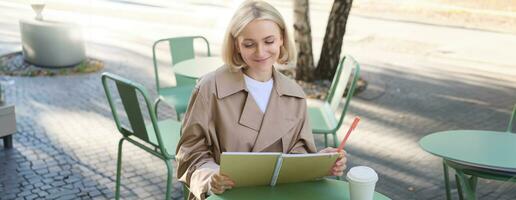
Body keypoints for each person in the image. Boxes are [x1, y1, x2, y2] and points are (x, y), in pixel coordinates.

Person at [175, 1, 346, 199]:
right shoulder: (209, 88)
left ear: (281, 38)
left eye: (269, 41)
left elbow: (297, 155)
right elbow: (189, 153)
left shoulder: (295, 95)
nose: (260, 52)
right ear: (236, 44)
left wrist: (320, 162)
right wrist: (211, 177)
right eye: (249, 44)